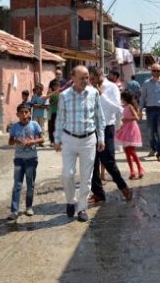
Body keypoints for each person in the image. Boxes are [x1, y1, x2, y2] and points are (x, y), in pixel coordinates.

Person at [54, 66, 106, 222]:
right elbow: (60, 119)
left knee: (86, 177)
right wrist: (57, 139)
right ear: (73, 78)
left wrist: (101, 138)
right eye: (82, 78)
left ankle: (82, 208)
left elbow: (99, 117)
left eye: (87, 77)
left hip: (88, 140)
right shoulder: (64, 96)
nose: (85, 80)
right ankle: (71, 200)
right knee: (67, 174)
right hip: (69, 139)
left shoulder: (94, 93)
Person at [88, 66, 132, 204]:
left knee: (108, 161)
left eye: (93, 78)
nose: (91, 81)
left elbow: (118, 109)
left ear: (100, 75)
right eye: (89, 79)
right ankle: (98, 193)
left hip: (107, 128)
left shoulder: (112, 87)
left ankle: (123, 187)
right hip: (91, 129)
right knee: (91, 162)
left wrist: (102, 95)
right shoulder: (89, 89)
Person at [8, 104, 43, 220]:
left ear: (29, 114)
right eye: (21, 113)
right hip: (18, 159)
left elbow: (42, 139)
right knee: (17, 185)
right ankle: (14, 210)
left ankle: (29, 207)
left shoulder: (34, 125)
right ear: (17, 114)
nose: (24, 115)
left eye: (26, 112)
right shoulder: (14, 127)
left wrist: (32, 142)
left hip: (31, 159)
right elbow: (10, 142)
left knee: (30, 184)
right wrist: (17, 140)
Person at [139, 63, 160, 162]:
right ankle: (153, 148)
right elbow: (143, 97)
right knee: (150, 132)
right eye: (154, 70)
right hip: (150, 110)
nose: (156, 72)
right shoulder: (146, 83)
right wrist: (140, 110)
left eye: (158, 71)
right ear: (151, 71)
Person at [116, 90, 145, 180]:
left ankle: (140, 168)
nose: (121, 99)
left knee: (131, 150)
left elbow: (136, 117)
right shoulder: (125, 107)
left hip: (131, 129)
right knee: (127, 152)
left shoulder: (129, 106)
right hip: (126, 129)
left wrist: (126, 119)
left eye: (122, 98)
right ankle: (132, 171)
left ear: (125, 98)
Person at [46, 79, 61, 146]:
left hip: (59, 112)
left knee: (59, 126)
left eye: (58, 86)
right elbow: (49, 102)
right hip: (52, 112)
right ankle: (52, 140)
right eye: (55, 86)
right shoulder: (51, 93)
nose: (57, 87)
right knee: (52, 126)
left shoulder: (61, 93)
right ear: (53, 86)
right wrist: (55, 102)